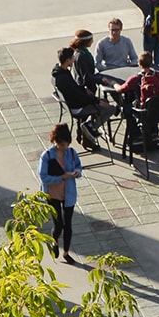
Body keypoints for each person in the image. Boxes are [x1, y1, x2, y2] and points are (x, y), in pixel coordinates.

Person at [38, 122, 83, 265]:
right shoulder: (47, 156)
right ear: (56, 142)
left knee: (68, 224)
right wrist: (61, 177)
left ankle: (66, 252)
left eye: (67, 145)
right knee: (58, 224)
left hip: (68, 193)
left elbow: (78, 166)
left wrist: (77, 172)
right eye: (63, 145)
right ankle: (55, 242)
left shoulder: (71, 153)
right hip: (53, 194)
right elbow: (43, 176)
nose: (65, 148)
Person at [53, 45, 110, 148]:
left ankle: (86, 132)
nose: (74, 60)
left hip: (73, 103)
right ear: (68, 59)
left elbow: (75, 90)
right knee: (108, 108)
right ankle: (90, 128)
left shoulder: (59, 72)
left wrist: (84, 89)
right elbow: (79, 97)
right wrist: (96, 101)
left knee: (104, 102)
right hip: (77, 107)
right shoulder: (64, 78)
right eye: (72, 58)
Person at [70, 30, 100, 94]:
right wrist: (100, 79)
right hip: (86, 90)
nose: (92, 41)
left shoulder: (80, 51)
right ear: (86, 42)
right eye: (91, 40)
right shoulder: (81, 56)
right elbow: (85, 76)